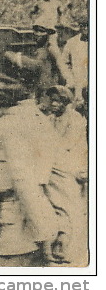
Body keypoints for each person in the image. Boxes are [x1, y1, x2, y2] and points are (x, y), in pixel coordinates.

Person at [0, 64, 61, 266]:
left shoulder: (15, 122)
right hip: (22, 221)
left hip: (13, 222)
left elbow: (24, 179)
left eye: (8, 83)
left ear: (27, 89)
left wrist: (44, 227)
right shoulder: (28, 116)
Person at [42, 85, 88, 266]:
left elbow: (67, 145)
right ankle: (57, 242)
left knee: (68, 207)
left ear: (66, 103)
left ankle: (65, 246)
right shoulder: (51, 118)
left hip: (71, 166)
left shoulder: (75, 120)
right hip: (55, 165)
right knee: (54, 205)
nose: (53, 104)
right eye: (51, 100)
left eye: (58, 101)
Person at [62, 16, 89, 114]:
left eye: (88, 26)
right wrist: (70, 79)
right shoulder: (72, 42)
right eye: (83, 26)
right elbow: (64, 63)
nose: (85, 28)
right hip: (77, 82)